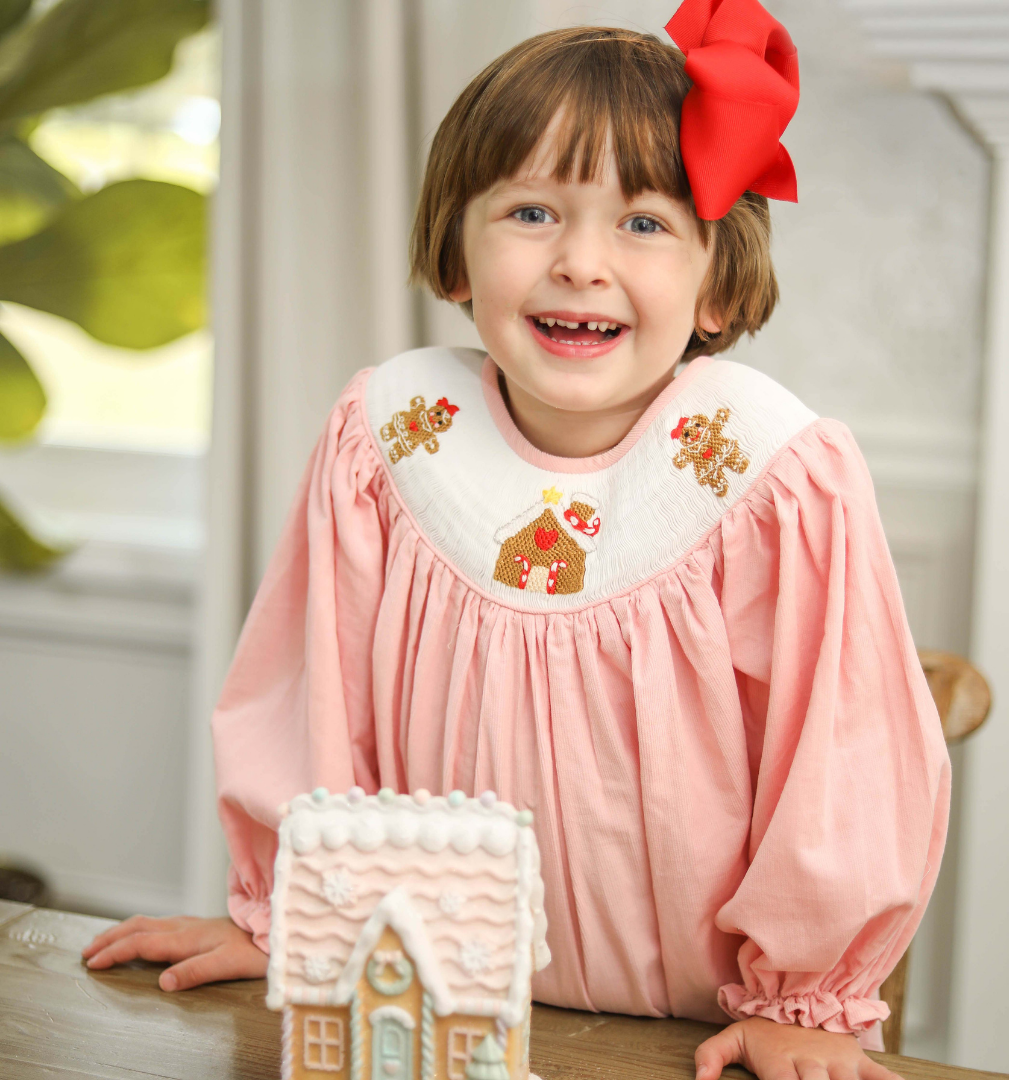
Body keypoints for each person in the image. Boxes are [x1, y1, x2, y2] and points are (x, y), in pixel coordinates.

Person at [84, 2, 949, 1078]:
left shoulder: (773, 473)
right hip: (431, 1022)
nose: (581, 262)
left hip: (693, 1041)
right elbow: (307, 700)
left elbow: (841, 752)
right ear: (455, 253)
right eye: (533, 211)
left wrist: (802, 1002)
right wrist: (284, 915)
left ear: (717, 280)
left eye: (644, 223)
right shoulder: (390, 441)